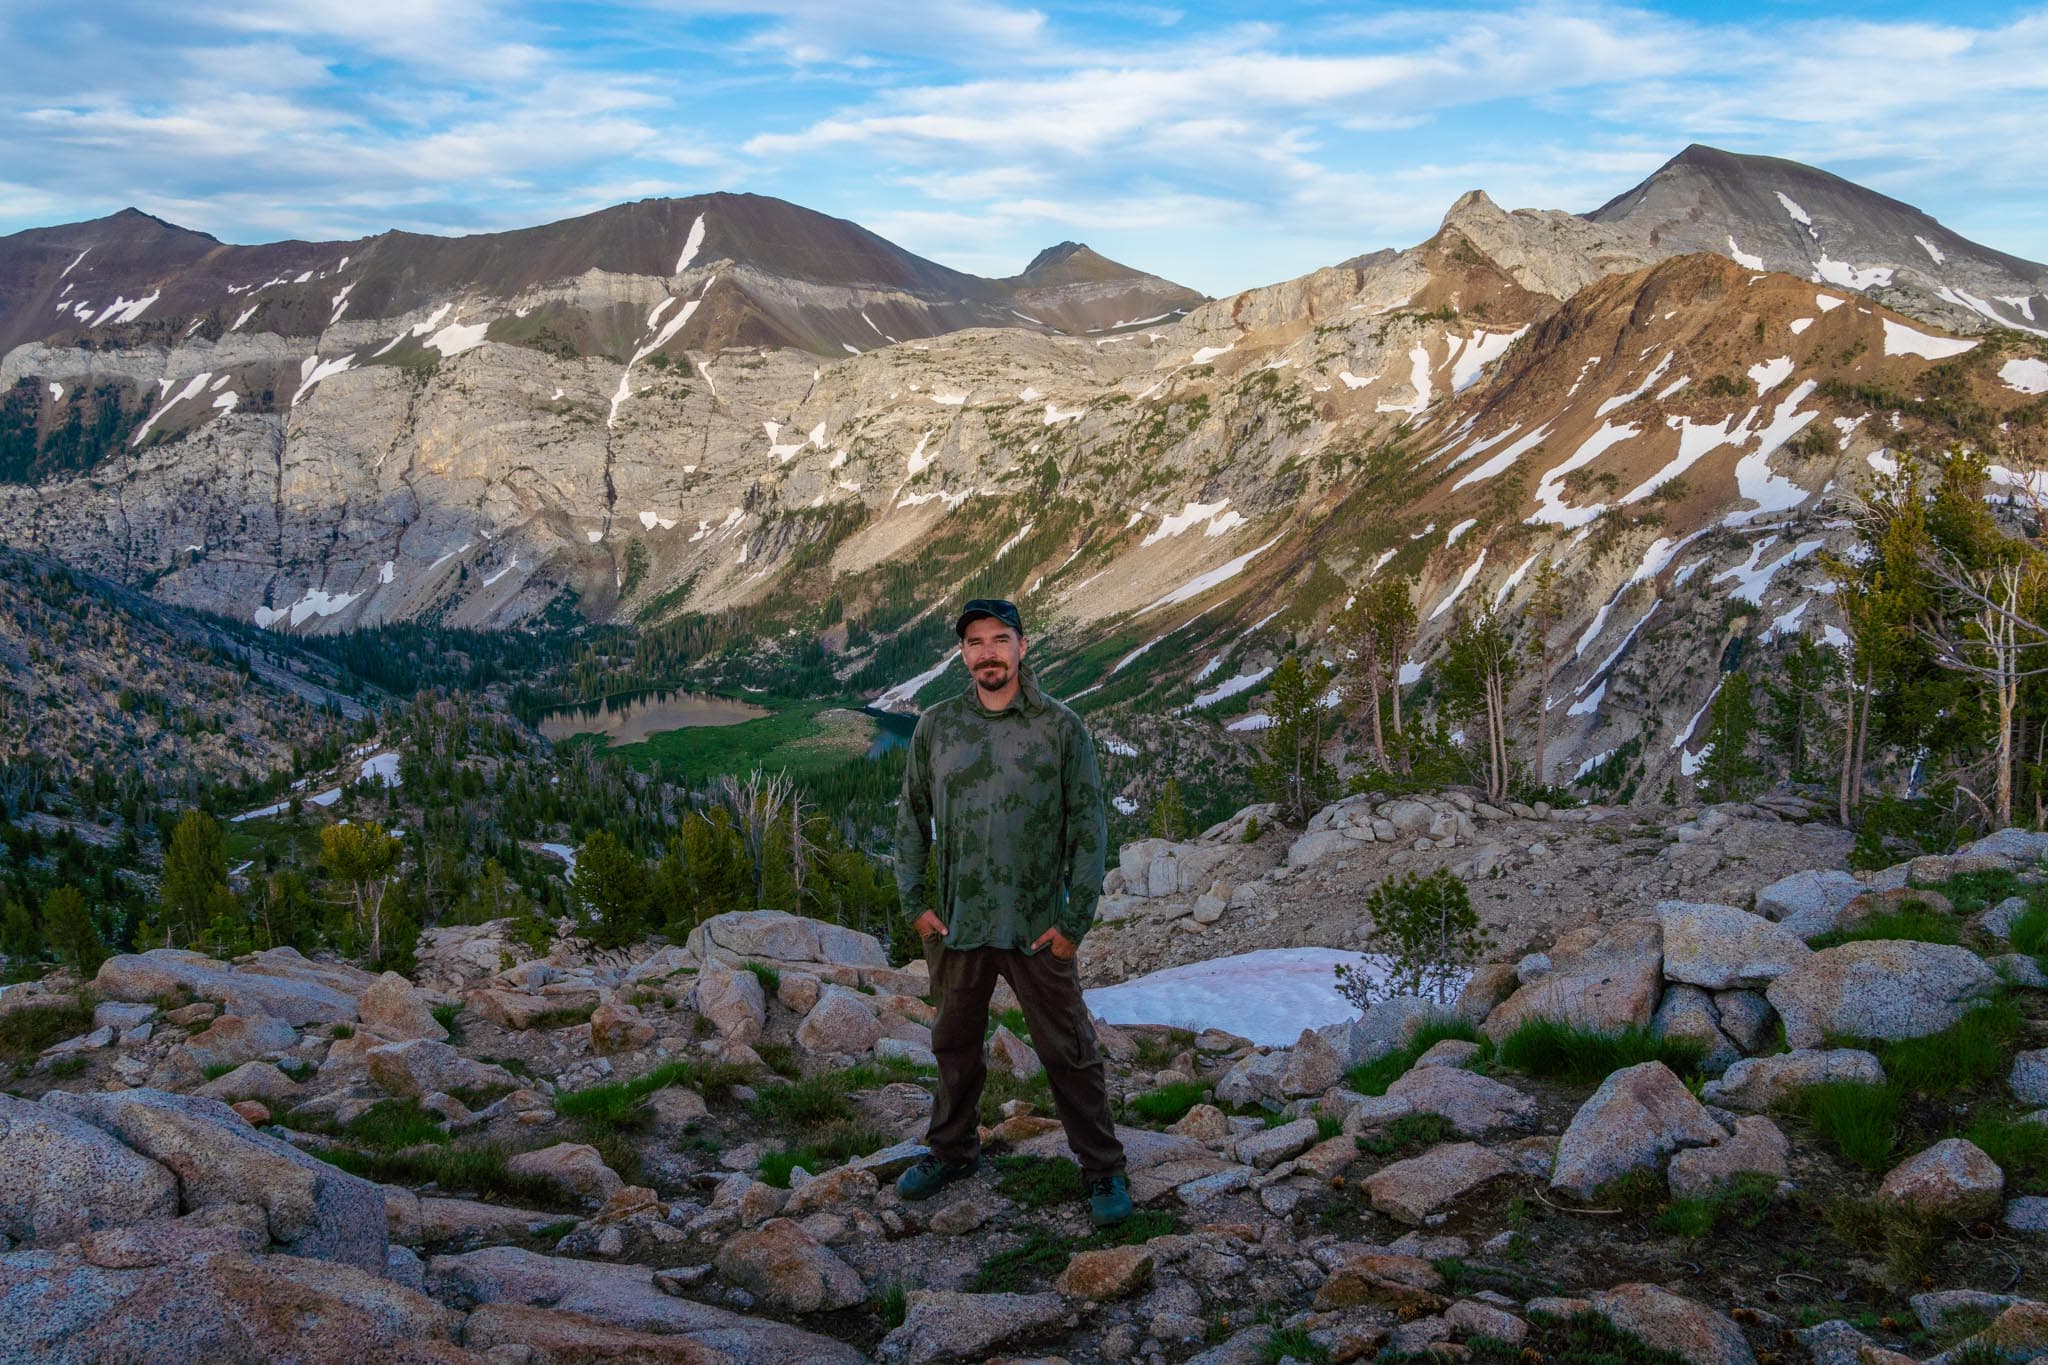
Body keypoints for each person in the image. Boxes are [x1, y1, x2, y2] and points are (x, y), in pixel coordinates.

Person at [890, 597, 1130, 1226]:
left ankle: (1103, 1169)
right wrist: (915, 904)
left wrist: (1074, 923)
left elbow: (1088, 826)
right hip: (956, 923)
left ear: (1023, 648)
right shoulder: (937, 727)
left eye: (1000, 640)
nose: (988, 652)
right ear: (963, 655)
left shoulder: (1059, 727)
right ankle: (952, 1151)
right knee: (954, 1045)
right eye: (975, 643)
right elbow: (912, 817)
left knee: (1067, 1048)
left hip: (1036, 926)